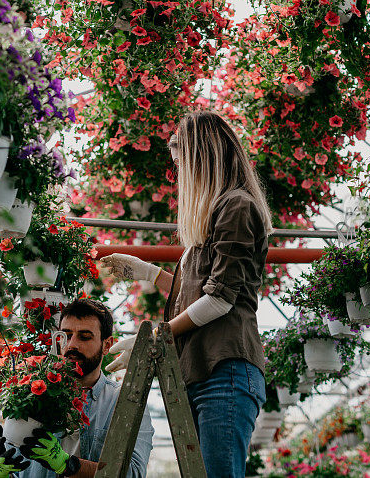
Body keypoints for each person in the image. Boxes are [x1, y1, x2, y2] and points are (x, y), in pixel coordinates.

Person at [101, 110, 273, 478]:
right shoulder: (216, 214)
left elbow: (220, 299)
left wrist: (155, 338)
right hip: (202, 371)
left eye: (182, 164)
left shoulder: (236, 206)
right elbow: (199, 293)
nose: (180, 175)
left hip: (225, 370)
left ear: (203, 159)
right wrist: (146, 272)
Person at [0, 298, 155, 478]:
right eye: (66, 335)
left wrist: (69, 465)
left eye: (84, 336)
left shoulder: (125, 401)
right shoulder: (31, 393)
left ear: (107, 345)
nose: (72, 344)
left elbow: (134, 474)